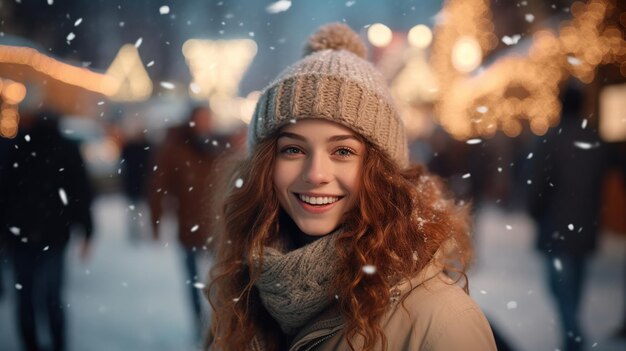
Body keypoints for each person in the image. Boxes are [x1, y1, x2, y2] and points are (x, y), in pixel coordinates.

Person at [206, 23, 496, 351]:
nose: (316, 174)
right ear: (264, 166)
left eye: (342, 151)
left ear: (381, 170)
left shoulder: (443, 322)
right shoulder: (242, 295)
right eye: (293, 149)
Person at [527, 82, 611, 351]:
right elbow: (603, 180)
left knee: (560, 285)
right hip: (585, 223)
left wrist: (535, 211)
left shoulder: (550, 140)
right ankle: (572, 330)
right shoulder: (594, 140)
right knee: (574, 284)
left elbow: (537, 182)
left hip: (556, 225)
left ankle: (572, 333)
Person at [0, 111, 93, 351]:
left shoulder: (16, 149)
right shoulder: (66, 150)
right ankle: (57, 343)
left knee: (26, 296)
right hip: (53, 235)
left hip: (20, 234)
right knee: (52, 296)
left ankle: (31, 343)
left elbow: (4, 192)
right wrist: (87, 230)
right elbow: (80, 194)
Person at [148, 105, 223, 338]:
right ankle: (199, 326)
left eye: (208, 119)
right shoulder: (176, 149)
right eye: (201, 119)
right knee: (193, 282)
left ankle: (218, 326)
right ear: (191, 121)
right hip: (189, 226)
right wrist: (155, 221)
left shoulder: (218, 146)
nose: (205, 123)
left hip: (218, 227)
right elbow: (158, 187)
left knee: (220, 282)